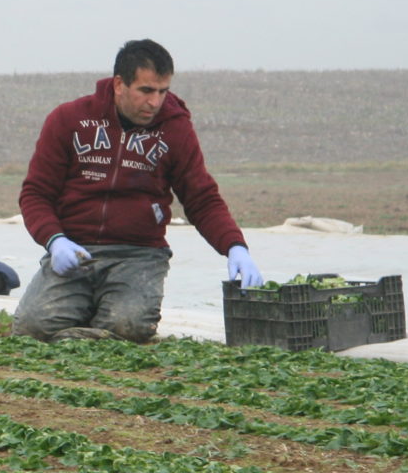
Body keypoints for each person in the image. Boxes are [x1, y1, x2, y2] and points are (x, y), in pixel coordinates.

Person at [13, 39, 264, 343]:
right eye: (146, 90)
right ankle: (87, 320)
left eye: (163, 91)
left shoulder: (175, 129)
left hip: (138, 254)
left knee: (127, 326)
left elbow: (202, 198)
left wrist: (235, 246)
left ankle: (90, 326)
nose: (155, 102)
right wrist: (55, 241)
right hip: (76, 250)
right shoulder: (69, 119)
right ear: (119, 84)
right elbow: (36, 193)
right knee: (32, 327)